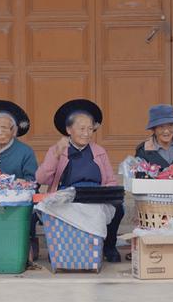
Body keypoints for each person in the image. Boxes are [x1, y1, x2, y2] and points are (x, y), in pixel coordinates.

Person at [36, 99, 124, 262]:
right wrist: (56, 154)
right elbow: (41, 178)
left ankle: (108, 246)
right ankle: (60, 247)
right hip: (67, 195)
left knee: (119, 208)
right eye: (82, 128)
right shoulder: (57, 150)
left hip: (95, 195)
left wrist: (110, 193)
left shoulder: (99, 151)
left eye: (90, 129)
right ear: (69, 129)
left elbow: (110, 180)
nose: (86, 133)